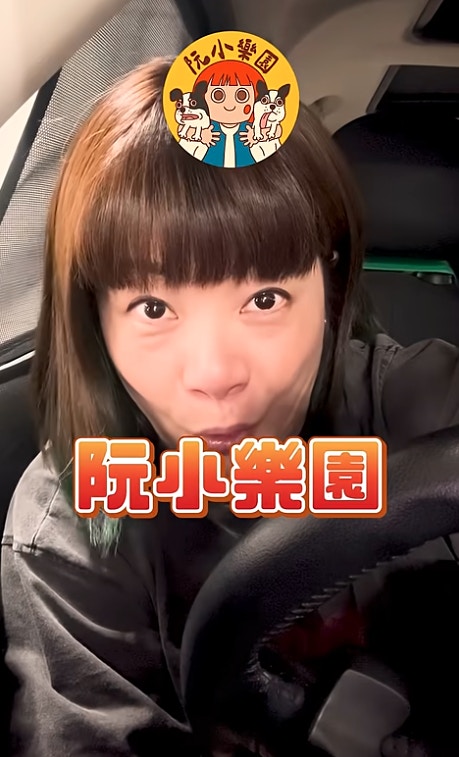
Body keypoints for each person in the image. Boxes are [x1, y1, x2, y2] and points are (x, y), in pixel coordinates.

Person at [1, 55, 459, 757]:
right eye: (153, 308)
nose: (214, 375)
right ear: (98, 321)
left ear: (330, 290)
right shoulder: (73, 526)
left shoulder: (423, 404)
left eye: (264, 299)